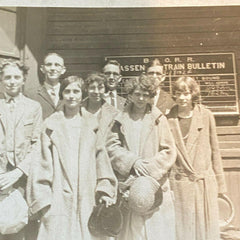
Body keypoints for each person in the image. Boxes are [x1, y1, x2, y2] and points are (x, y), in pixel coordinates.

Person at [27, 76, 117, 240]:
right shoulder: (50, 125)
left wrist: (105, 190)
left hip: (87, 197)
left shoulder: (92, 125)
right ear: (62, 94)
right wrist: (44, 201)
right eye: (67, 91)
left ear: (82, 95)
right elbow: (41, 163)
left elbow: (101, 160)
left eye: (76, 91)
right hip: (58, 199)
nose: (71, 95)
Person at [100, 74, 177, 240]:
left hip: (155, 185)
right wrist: (132, 162)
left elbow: (169, 150)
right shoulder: (120, 119)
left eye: (145, 94)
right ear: (130, 95)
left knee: (157, 231)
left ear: (151, 96)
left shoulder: (159, 119)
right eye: (137, 94)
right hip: (130, 183)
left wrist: (149, 170)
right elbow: (111, 147)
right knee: (133, 233)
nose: (141, 98)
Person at [167, 76, 227, 240]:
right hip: (179, 184)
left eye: (186, 93)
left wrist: (221, 186)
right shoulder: (168, 119)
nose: (182, 98)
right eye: (178, 93)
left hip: (202, 184)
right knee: (184, 230)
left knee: (204, 231)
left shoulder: (206, 115)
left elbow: (215, 150)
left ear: (193, 94)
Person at [0, 59, 42, 240]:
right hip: (0, 175)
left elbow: (37, 144)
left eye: (16, 77)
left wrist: (18, 172)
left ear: (23, 80)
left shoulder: (33, 107)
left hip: (21, 178)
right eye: (7, 77)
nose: (12, 81)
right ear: (1, 79)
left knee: (18, 227)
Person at [27, 53, 66, 119]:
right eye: (49, 64)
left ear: (63, 70)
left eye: (57, 65)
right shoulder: (30, 95)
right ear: (42, 69)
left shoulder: (69, 93)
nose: (53, 68)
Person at [81, 72, 119, 138]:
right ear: (86, 89)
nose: (96, 91)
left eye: (100, 87)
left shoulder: (114, 114)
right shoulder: (76, 110)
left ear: (105, 89)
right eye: (92, 87)